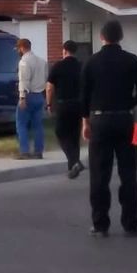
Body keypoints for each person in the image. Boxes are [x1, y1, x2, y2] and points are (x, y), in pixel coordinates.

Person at [82, 20, 137, 238]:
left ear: (102, 37)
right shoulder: (132, 61)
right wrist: (128, 104)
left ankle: (100, 224)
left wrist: (86, 122)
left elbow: (83, 97)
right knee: (129, 174)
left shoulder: (91, 62)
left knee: (99, 175)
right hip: (129, 122)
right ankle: (131, 224)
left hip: (99, 121)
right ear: (120, 37)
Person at [46, 40, 85, 178]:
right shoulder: (82, 66)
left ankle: (74, 162)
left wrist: (49, 104)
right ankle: (72, 167)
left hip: (63, 105)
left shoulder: (58, 66)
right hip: (79, 105)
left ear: (64, 50)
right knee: (74, 136)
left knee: (61, 133)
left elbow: (50, 87)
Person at [16, 38, 47, 159]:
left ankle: (24, 151)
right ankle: (38, 151)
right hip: (40, 95)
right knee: (38, 125)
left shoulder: (24, 62)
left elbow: (24, 80)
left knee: (21, 124)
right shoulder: (42, 61)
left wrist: (22, 97)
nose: (18, 51)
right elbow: (45, 78)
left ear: (22, 47)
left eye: (18, 49)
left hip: (28, 96)